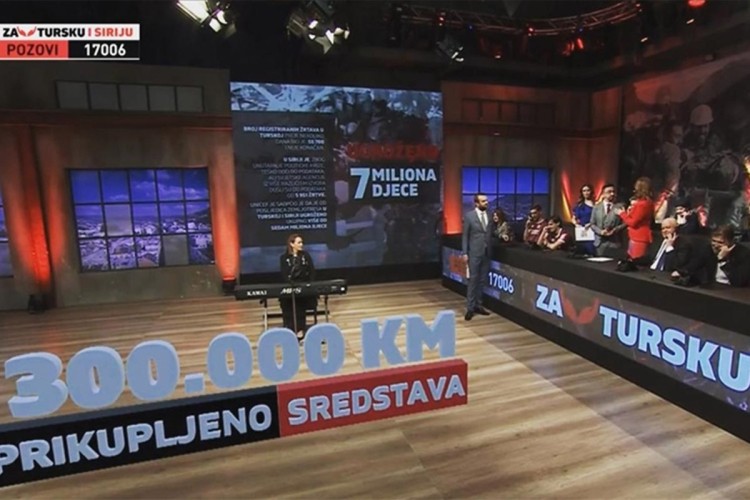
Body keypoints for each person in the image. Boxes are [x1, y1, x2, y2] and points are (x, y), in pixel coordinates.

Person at [279, 234, 317, 341]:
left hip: (303, 286)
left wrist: (309, 284)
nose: (301, 244)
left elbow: (312, 271)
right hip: (290, 287)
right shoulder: (284, 258)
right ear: (292, 244)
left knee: (300, 303)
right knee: (286, 302)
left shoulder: (305, 256)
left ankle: (300, 329)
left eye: (301, 242)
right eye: (299, 242)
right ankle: (289, 328)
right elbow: (284, 274)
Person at [614, 177, 655, 271]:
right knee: (631, 262)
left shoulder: (642, 204)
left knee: (636, 264)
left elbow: (633, 222)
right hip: (636, 237)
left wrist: (622, 214)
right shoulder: (646, 203)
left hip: (639, 238)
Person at [462, 193, 491, 321]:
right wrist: (464, 253)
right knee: (473, 281)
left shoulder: (489, 215)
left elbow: (489, 233)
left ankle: (479, 305)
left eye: (486, 200)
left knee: (482, 281)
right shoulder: (469, 216)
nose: (486, 203)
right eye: (483, 201)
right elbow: (465, 236)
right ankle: (470, 308)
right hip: (474, 253)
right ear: (476, 203)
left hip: (487, 253)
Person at [589, 183, 625, 257]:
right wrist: (600, 232)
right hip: (600, 243)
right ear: (603, 194)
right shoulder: (596, 207)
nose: (612, 194)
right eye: (609, 192)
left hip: (615, 242)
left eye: (613, 192)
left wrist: (614, 230)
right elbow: (592, 224)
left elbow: (625, 223)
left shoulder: (620, 206)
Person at [572, 184, 595, 255]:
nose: (586, 192)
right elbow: (573, 218)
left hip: (593, 230)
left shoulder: (596, 204)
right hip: (582, 231)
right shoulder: (579, 205)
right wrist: (576, 225)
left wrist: (591, 224)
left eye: (588, 190)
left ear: (591, 191)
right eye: (584, 191)